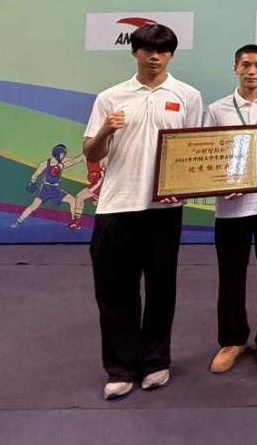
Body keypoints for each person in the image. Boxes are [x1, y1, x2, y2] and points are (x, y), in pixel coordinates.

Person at [82, 24, 203, 400]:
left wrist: (182, 189)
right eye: (148, 50)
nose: (155, 57)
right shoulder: (110, 97)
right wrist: (105, 130)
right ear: (134, 52)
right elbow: (91, 153)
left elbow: (194, 150)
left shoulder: (187, 96)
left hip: (164, 209)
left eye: (162, 51)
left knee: (161, 289)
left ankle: (155, 361)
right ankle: (119, 368)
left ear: (171, 55)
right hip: (117, 206)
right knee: (115, 291)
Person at [203, 44, 257, 373]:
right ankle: (233, 339)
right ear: (235, 68)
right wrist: (218, 186)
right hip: (230, 208)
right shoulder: (217, 109)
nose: (251, 71)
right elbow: (206, 152)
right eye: (245, 65)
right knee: (231, 276)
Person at [12, 144, 85, 229]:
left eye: (64, 154)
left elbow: (74, 160)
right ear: (57, 153)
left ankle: (74, 222)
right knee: (33, 206)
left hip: (56, 190)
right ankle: (18, 221)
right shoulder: (45, 163)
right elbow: (35, 174)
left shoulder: (62, 161)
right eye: (62, 154)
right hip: (45, 189)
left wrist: (83, 156)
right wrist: (32, 182)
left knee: (73, 200)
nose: (63, 156)